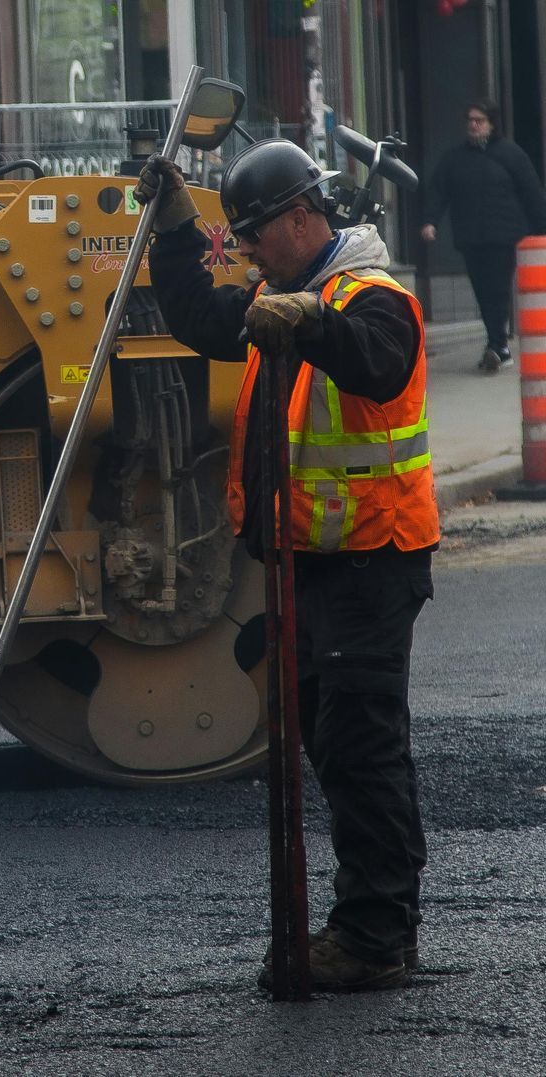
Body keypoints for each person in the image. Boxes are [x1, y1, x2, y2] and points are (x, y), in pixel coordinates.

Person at [137, 141, 437, 994]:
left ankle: (375, 934)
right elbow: (200, 316)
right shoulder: (283, 293)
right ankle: (375, 925)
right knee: (337, 745)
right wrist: (174, 228)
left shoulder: (373, 298)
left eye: (255, 234)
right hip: (314, 562)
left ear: (302, 218)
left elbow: (375, 360)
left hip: (371, 562)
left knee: (360, 746)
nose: (247, 251)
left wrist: (307, 322)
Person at [418, 99, 546, 371]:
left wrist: (540, 230)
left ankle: (497, 345)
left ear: (491, 124)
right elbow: (438, 191)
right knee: (483, 291)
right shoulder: (454, 159)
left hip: (504, 236)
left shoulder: (511, 154)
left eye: (480, 120)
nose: (474, 125)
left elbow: (531, 192)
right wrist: (430, 221)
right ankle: (497, 344)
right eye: (470, 121)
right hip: (471, 237)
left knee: (498, 290)